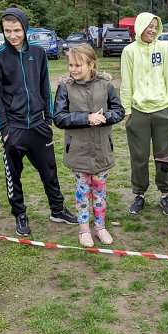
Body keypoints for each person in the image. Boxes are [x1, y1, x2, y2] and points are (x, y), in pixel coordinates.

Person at [0, 7, 77, 236]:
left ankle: (57, 209)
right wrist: (3, 129)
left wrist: (48, 119)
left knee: (49, 171)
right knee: (14, 176)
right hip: (13, 128)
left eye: (17, 30)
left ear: (25, 29)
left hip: (38, 125)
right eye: (7, 31)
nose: (13, 35)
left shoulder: (38, 53)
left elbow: (44, 87)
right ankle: (20, 214)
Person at [54, 44, 125, 247]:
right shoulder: (65, 87)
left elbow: (118, 111)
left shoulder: (105, 85)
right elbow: (58, 118)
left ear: (91, 64)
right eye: (70, 65)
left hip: (102, 149)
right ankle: (84, 229)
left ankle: (100, 227)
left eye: (78, 65)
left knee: (100, 191)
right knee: (82, 191)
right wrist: (86, 118)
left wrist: (103, 117)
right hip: (78, 151)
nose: (73, 69)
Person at [120, 12, 168, 216]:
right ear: (140, 27)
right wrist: (127, 110)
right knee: (139, 156)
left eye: (156, 27)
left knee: (163, 157)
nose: (153, 30)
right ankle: (139, 194)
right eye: (149, 26)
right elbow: (126, 82)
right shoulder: (129, 51)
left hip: (163, 110)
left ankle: (165, 195)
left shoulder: (164, 49)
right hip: (138, 112)